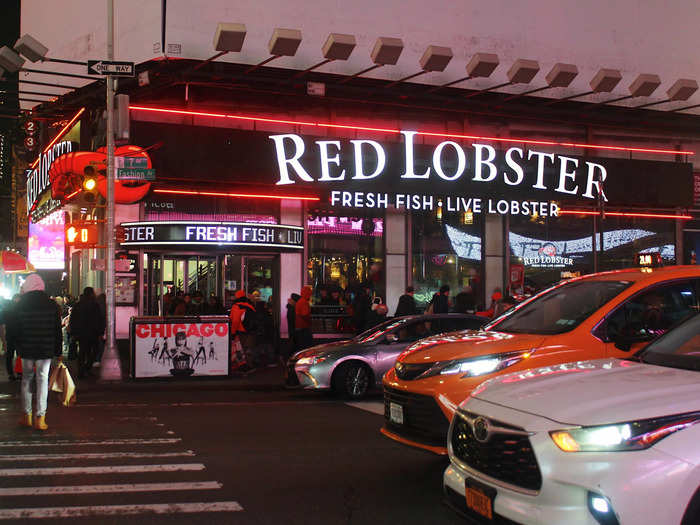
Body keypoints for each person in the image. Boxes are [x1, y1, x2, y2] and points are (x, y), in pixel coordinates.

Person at [6, 274, 62, 431]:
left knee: (26, 380)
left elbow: (13, 329)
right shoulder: (51, 305)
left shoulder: (20, 304)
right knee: (42, 380)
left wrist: (16, 345)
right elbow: (57, 330)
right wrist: (58, 350)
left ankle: (26, 416)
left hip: (26, 348)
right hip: (45, 349)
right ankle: (40, 418)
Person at [69, 287, 106, 378]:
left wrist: (73, 332)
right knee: (94, 351)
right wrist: (100, 331)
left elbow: (73, 319)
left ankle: (81, 371)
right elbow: (99, 319)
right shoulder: (95, 305)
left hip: (81, 333)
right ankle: (87, 368)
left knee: (82, 352)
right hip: (93, 333)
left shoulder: (78, 305)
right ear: (91, 294)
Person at [229, 290, 257, 368]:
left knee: (242, 349)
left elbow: (235, 321)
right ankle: (250, 365)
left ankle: (244, 366)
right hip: (252, 331)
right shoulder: (250, 305)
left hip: (242, 331)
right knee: (249, 349)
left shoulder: (236, 306)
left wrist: (233, 333)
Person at [294, 285, 313, 351]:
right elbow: (305, 315)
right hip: (304, 327)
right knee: (306, 347)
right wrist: (310, 322)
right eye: (310, 293)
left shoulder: (299, 301)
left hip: (299, 327)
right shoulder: (304, 302)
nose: (310, 295)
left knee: (300, 346)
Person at [285, 293, 300, 358]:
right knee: (294, 345)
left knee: (292, 344)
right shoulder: (293, 309)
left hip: (292, 330)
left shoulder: (290, 308)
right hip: (294, 330)